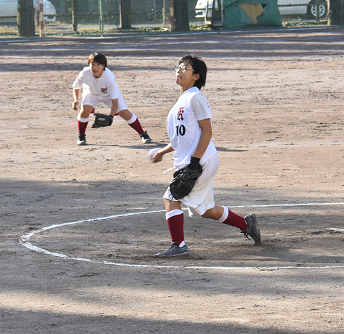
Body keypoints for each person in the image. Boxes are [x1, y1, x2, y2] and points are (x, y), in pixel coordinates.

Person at [150, 54, 261, 257]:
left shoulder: (196, 97)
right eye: (179, 66)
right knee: (206, 210)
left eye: (185, 68)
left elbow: (207, 132)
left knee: (171, 197)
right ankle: (246, 224)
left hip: (200, 160)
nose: (179, 70)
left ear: (196, 76)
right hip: (196, 160)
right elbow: (182, 138)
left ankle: (179, 245)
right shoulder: (181, 101)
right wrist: (163, 152)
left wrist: (194, 163)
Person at [72, 52, 153, 146]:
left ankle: (142, 134)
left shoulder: (109, 78)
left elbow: (115, 102)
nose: (95, 67)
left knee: (125, 114)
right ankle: (81, 135)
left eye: (98, 64)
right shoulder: (84, 73)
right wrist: (76, 100)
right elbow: (76, 87)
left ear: (104, 66)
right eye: (92, 65)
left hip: (109, 95)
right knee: (84, 110)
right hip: (91, 94)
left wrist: (110, 116)